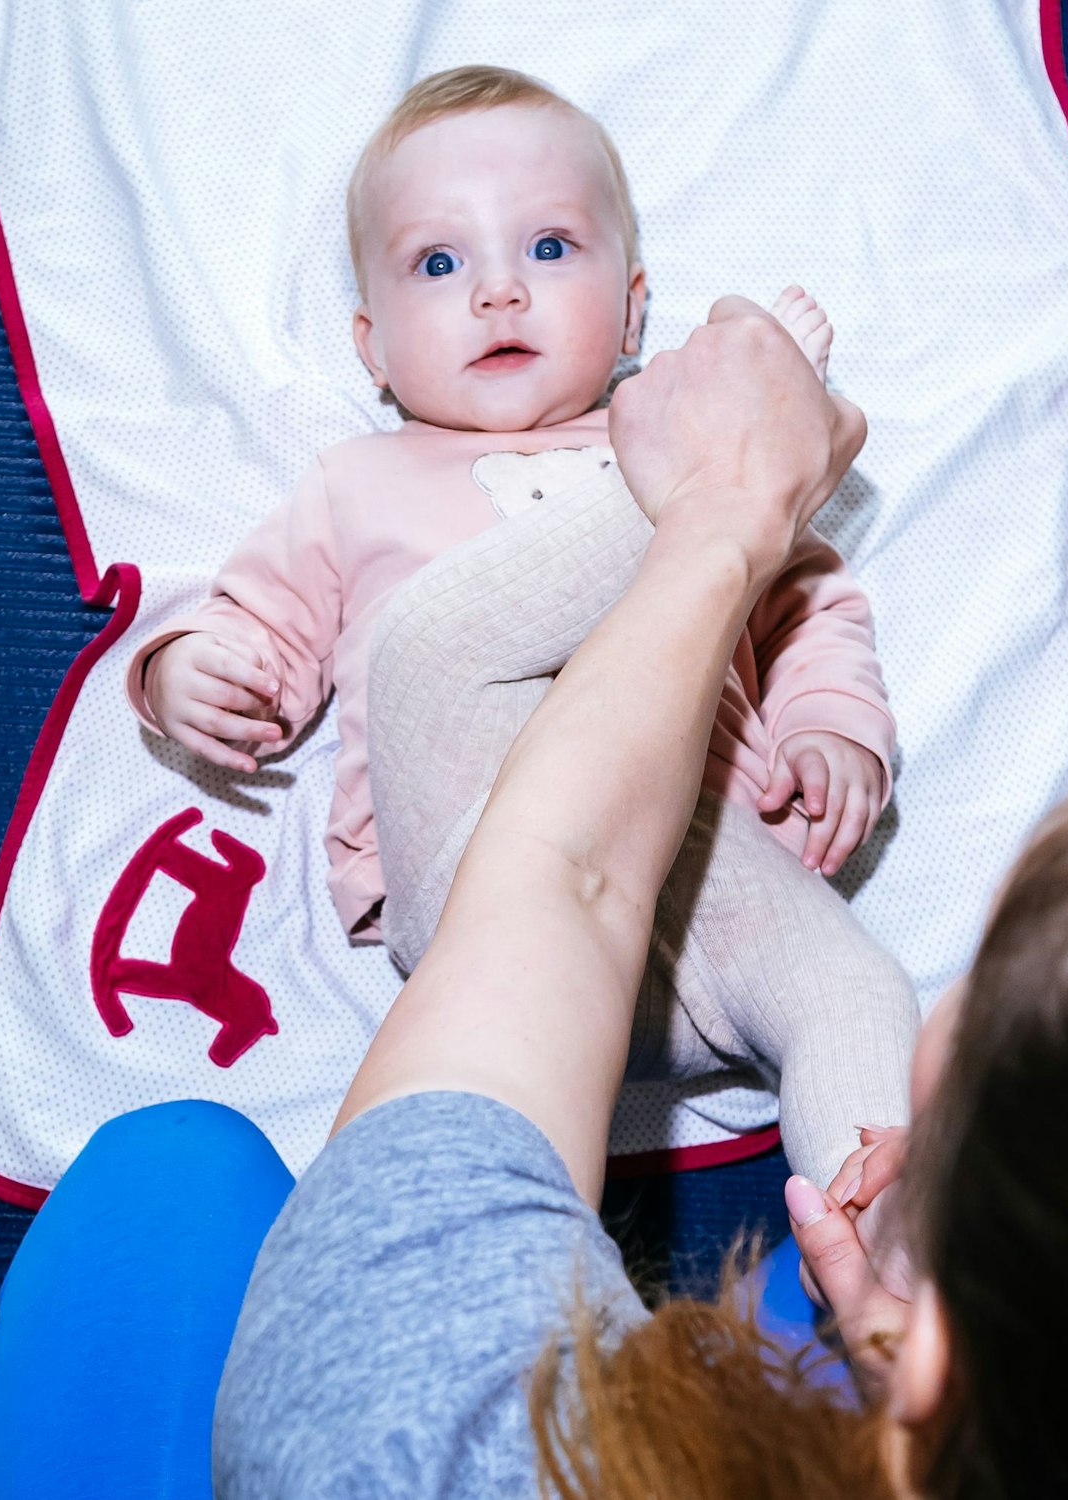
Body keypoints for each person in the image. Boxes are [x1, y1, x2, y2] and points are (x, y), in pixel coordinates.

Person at [210, 285, 1068, 1494]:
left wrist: (728, 511)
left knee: (171, 1185)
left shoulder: (426, 1441)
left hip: (598, 873)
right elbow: (264, 616)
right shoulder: (360, 479)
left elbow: (563, 869)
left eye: (1007, 955)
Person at [125, 64, 918, 1184]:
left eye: (548, 249)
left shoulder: (649, 432)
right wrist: (190, 671)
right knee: (426, 635)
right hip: (476, 878)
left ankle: (876, 1235)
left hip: (695, 871)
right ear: (371, 347)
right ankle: (759, 445)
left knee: (858, 989)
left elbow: (807, 610)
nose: (498, 292)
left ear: (634, 307)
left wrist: (833, 728)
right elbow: (258, 623)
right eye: (439, 265)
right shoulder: (358, 485)